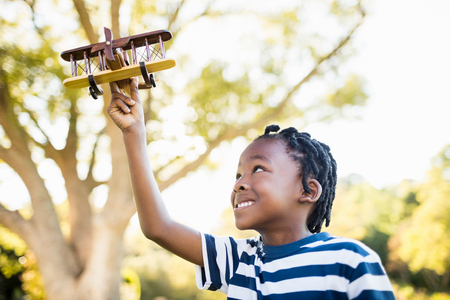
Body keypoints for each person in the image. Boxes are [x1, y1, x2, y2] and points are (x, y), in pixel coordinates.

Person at [107, 78, 396, 299]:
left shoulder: (349, 260)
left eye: (258, 169)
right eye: (237, 174)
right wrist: (134, 133)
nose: (239, 183)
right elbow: (159, 227)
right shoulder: (237, 260)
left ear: (308, 191)